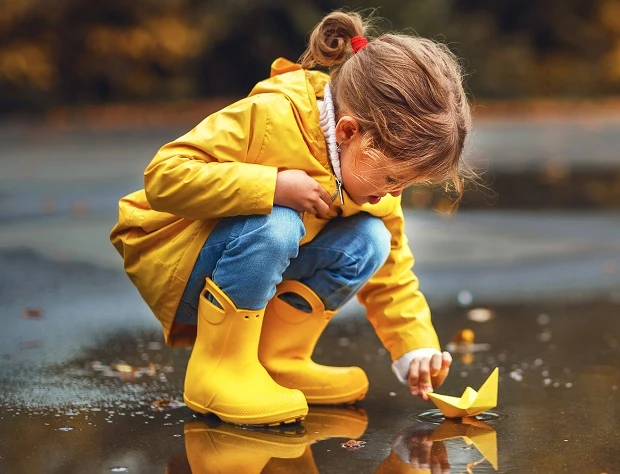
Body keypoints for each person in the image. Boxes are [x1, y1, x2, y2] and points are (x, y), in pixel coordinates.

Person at [110, 10, 472, 426]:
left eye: (405, 183)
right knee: (278, 221)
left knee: (373, 238)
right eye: (392, 177)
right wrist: (271, 186)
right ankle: (218, 371)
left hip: (250, 261)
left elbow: (392, 270)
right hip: (176, 255)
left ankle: (276, 360)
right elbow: (164, 178)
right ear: (349, 132)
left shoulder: (369, 178)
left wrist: (415, 347)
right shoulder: (270, 117)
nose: (394, 193)